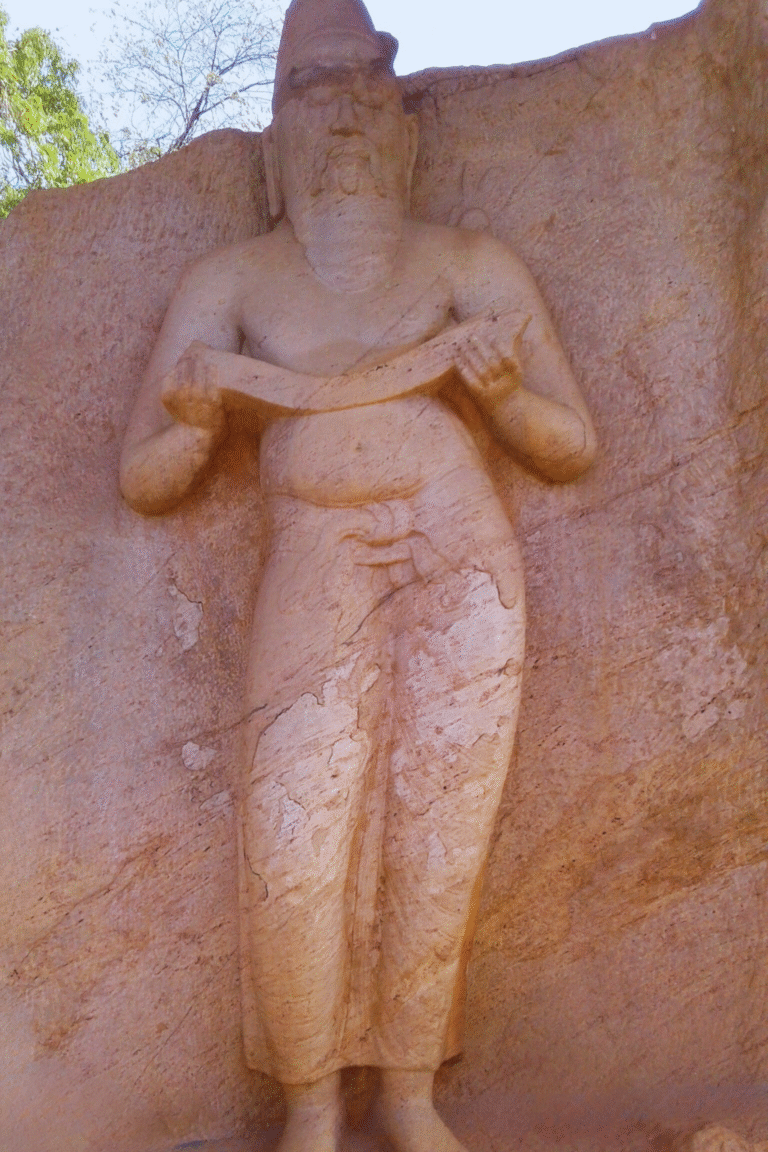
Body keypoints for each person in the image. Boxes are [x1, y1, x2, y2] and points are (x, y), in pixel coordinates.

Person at [120, 1, 596, 1148]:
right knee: (297, 835)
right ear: (276, 137)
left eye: (363, 97)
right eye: (314, 97)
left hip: (457, 562)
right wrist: (194, 423)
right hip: (317, 558)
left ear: (405, 127)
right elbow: (147, 475)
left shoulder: (470, 266)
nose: (343, 123)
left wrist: (497, 393)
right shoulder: (234, 279)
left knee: (438, 833)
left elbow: (569, 444)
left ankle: (412, 1094)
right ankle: (310, 1105)